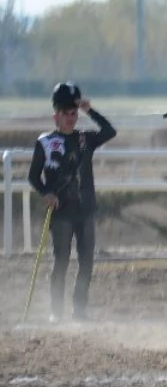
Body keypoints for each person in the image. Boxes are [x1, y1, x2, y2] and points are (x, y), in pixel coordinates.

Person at [27, 82, 118, 322]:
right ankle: (56, 311)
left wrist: (90, 110)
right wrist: (45, 192)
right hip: (61, 213)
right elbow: (33, 176)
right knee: (62, 260)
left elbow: (109, 131)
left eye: (74, 113)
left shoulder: (85, 140)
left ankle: (79, 310)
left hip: (85, 209)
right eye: (66, 113)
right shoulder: (45, 142)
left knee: (86, 261)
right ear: (55, 115)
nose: (71, 117)